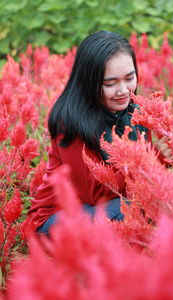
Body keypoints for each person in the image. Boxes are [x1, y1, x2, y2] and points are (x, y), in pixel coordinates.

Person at [29, 30, 150, 235]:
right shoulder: (69, 122)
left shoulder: (138, 112)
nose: (123, 90)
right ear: (89, 82)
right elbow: (97, 194)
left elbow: (151, 173)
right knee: (134, 210)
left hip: (109, 209)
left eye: (129, 78)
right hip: (58, 217)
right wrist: (146, 164)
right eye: (110, 83)